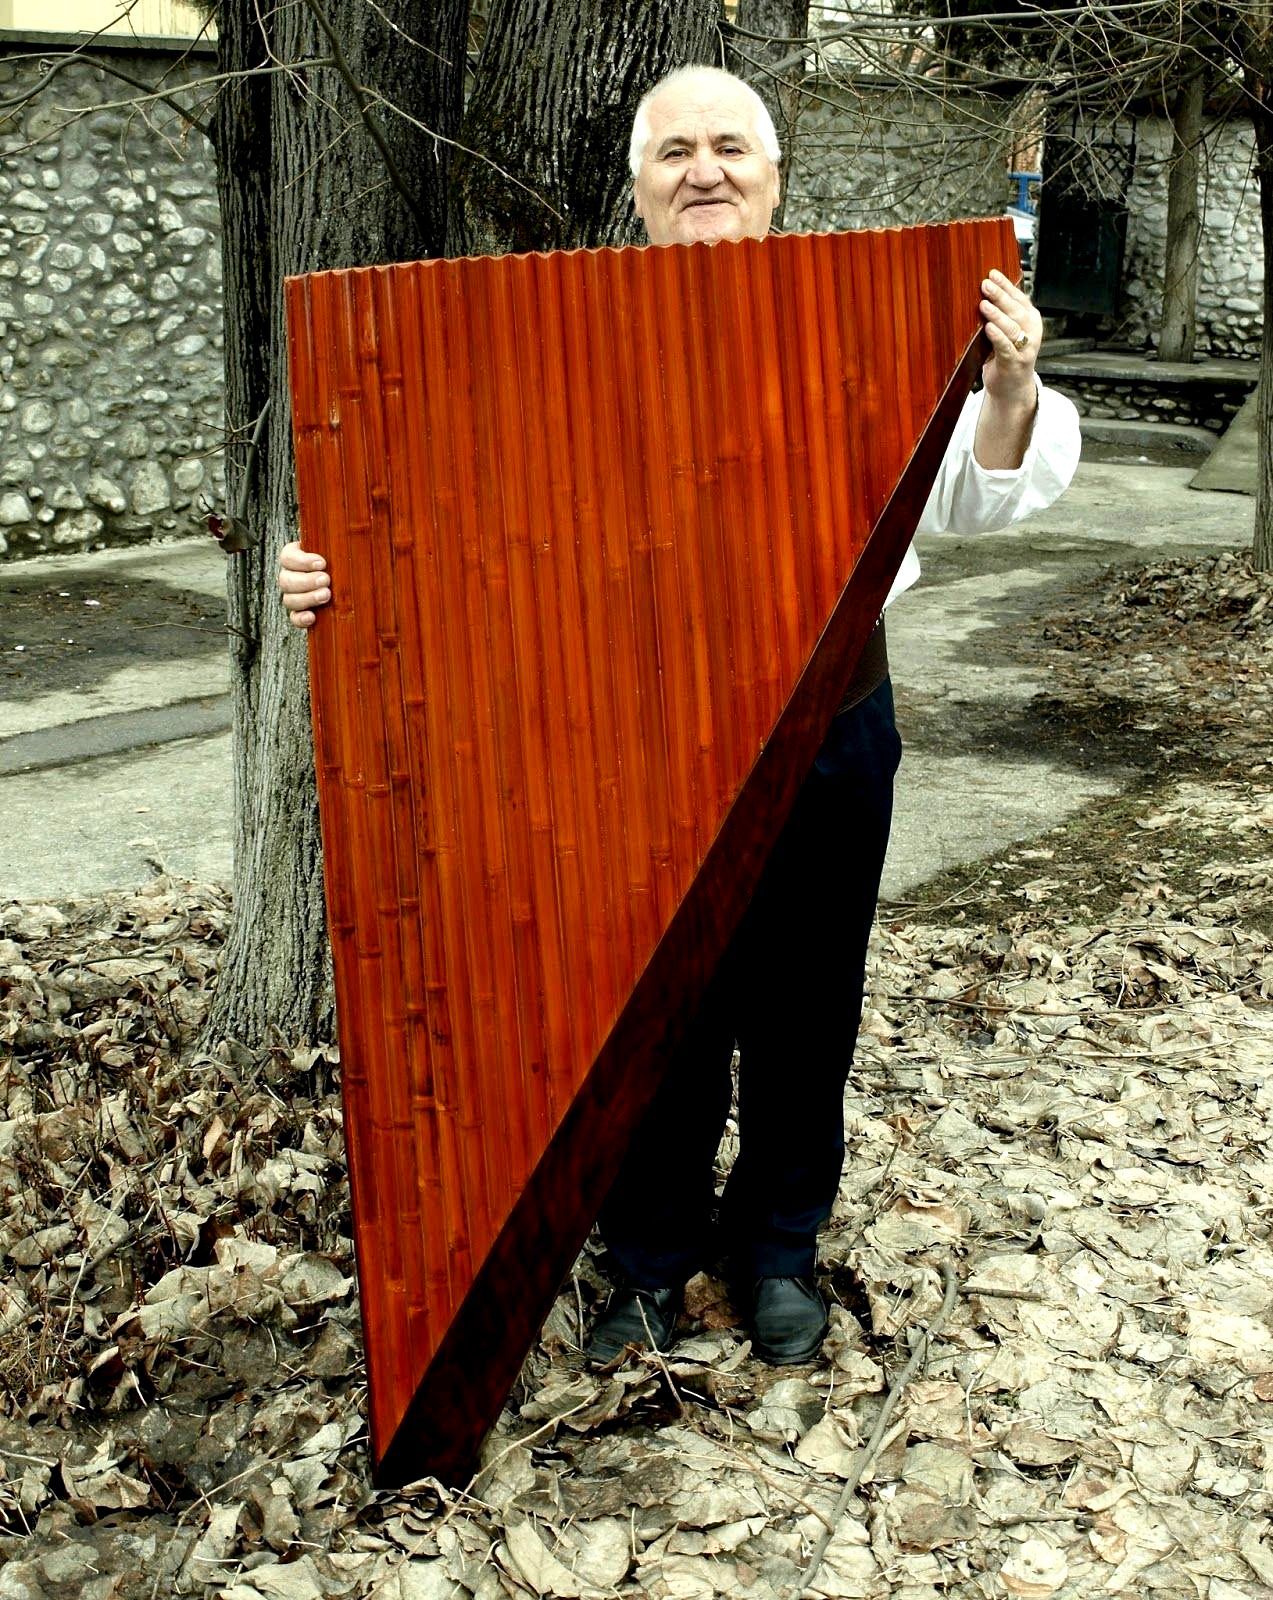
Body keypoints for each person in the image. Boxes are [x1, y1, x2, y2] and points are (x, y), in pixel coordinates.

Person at [278, 65, 1081, 1368]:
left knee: (805, 1007)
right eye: (674, 153)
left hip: (831, 731)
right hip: (631, 733)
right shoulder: (552, 331)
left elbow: (984, 495)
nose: (702, 171)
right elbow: (439, 506)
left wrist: (1002, 385)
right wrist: (327, 574)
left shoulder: (861, 313)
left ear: (772, 180)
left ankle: (776, 1253)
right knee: (659, 1015)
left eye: (729, 149)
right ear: (638, 187)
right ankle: (646, 1261)